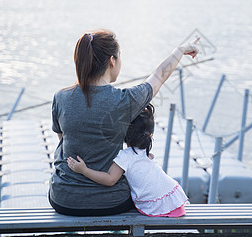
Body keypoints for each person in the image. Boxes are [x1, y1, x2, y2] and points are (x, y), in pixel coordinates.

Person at [49, 29, 199, 216]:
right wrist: (181, 50)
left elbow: (62, 139)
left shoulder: (61, 97)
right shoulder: (125, 100)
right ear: (112, 61)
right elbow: (160, 76)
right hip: (110, 201)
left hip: (64, 199)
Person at [67, 104, 188, 217]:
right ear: (150, 135)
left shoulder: (125, 156)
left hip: (156, 205)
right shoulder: (147, 153)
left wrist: (84, 170)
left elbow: (110, 179)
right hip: (172, 197)